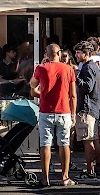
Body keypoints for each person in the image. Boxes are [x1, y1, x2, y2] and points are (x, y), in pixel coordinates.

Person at [31, 43, 77, 187]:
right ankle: (65, 177)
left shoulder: (41, 68)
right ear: (59, 53)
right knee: (64, 143)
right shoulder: (68, 69)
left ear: (47, 54)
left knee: (45, 144)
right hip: (64, 110)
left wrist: (42, 94)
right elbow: (73, 95)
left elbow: (32, 86)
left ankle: (45, 178)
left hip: (46, 111)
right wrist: (74, 113)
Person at [75, 40, 100, 179]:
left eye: (78, 52)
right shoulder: (91, 67)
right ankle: (98, 168)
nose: (76, 54)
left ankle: (90, 170)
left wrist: (76, 77)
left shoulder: (88, 68)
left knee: (88, 140)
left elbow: (88, 87)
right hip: (93, 107)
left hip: (87, 108)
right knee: (93, 138)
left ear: (86, 54)